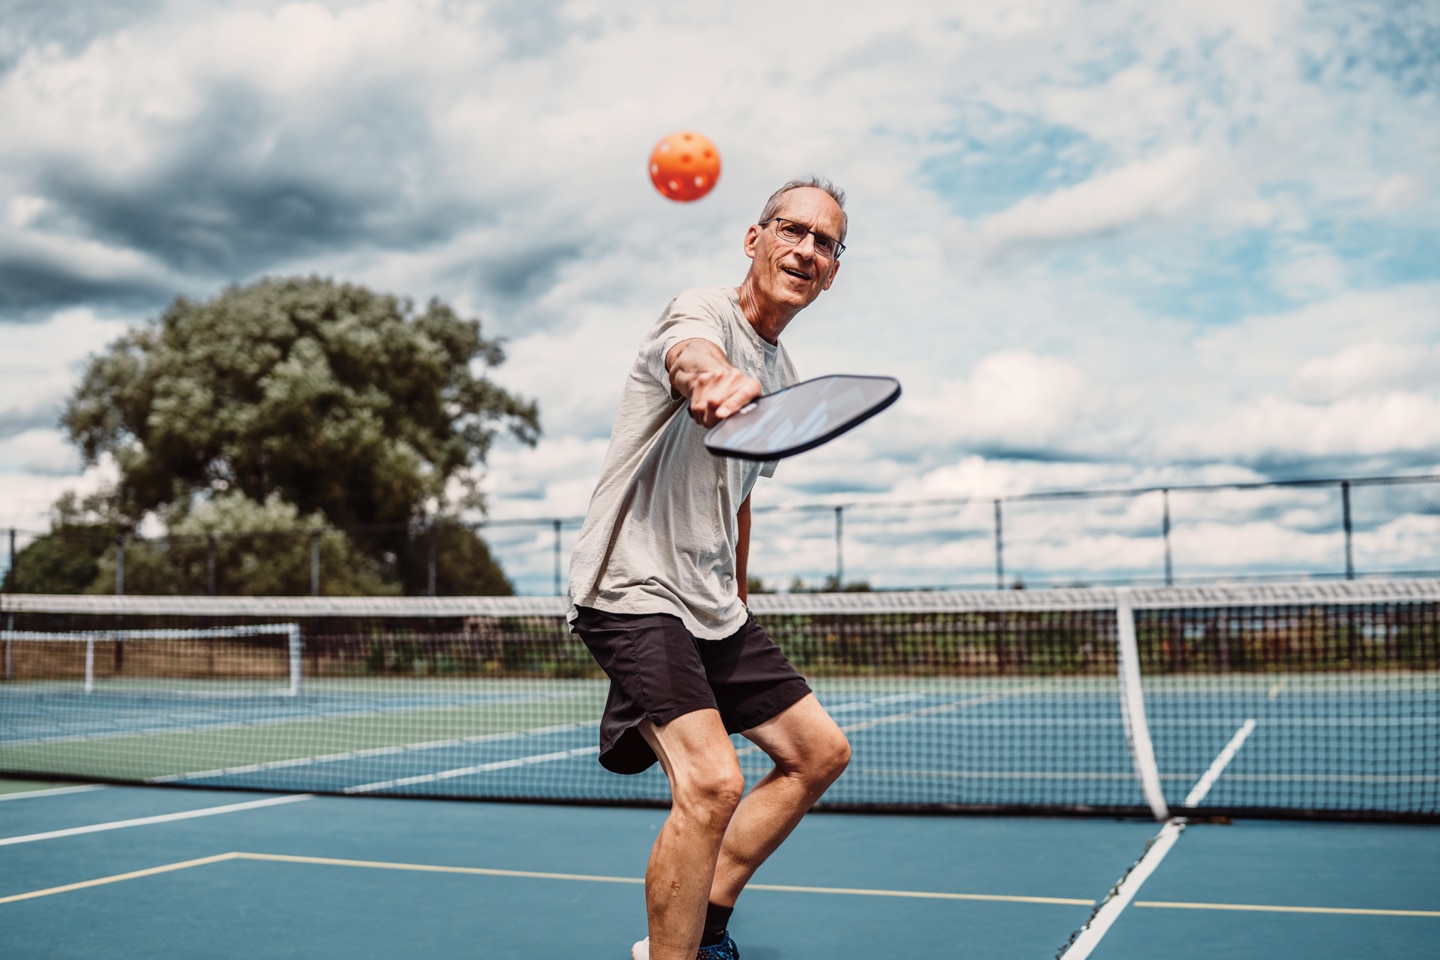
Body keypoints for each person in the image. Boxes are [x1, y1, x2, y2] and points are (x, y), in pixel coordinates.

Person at [568, 178, 854, 960]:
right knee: (712, 783)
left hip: (710, 604)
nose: (805, 249)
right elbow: (688, 353)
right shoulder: (701, 311)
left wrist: (738, 599)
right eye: (790, 230)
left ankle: (706, 928)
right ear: (753, 238)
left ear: (832, 270)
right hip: (632, 587)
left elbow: (740, 500)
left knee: (818, 754)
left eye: (824, 242)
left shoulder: (787, 376)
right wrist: (709, 377)